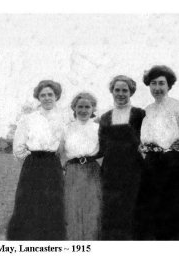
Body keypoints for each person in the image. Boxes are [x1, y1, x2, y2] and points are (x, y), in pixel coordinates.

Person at [135, 65, 179, 240]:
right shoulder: (147, 110)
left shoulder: (177, 108)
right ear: (148, 86)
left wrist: (173, 143)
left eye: (161, 83)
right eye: (153, 83)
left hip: (172, 164)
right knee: (151, 211)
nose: (157, 88)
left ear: (169, 86)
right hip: (151, 165)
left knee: (174, 211)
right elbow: (143, 139)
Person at [7, 80, 66, 240]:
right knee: (29, 202)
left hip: (53, 165)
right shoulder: (28, 119)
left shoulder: (63, 118)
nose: (47, 98)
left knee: (53, 202)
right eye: (43, 95)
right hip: (33, 165)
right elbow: (18, 148)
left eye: (50, 94)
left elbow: (66, 145)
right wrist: (34, 160)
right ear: (38, 97)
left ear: (56, 96)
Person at [98, 75, 145, 240]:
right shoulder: (104, 118)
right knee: (111, 212)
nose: (120, 93)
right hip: (111, 172)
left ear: (131, 92)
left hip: (134, 171)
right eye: (117, 90)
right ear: (112, 91)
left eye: (125, 90)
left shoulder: (140, 115)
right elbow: (100, 147)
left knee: (134, 212)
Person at [62, 92, 101, 240]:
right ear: (74, 108)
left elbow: (105, 149)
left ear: (93, 109)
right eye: (80, 106)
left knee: (93, 208)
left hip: (92, 170)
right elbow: (59, 152)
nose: (83, 110)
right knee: (72, 208)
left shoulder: (99, 128)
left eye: (87, 106)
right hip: (72, 171)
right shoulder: (66, 128)